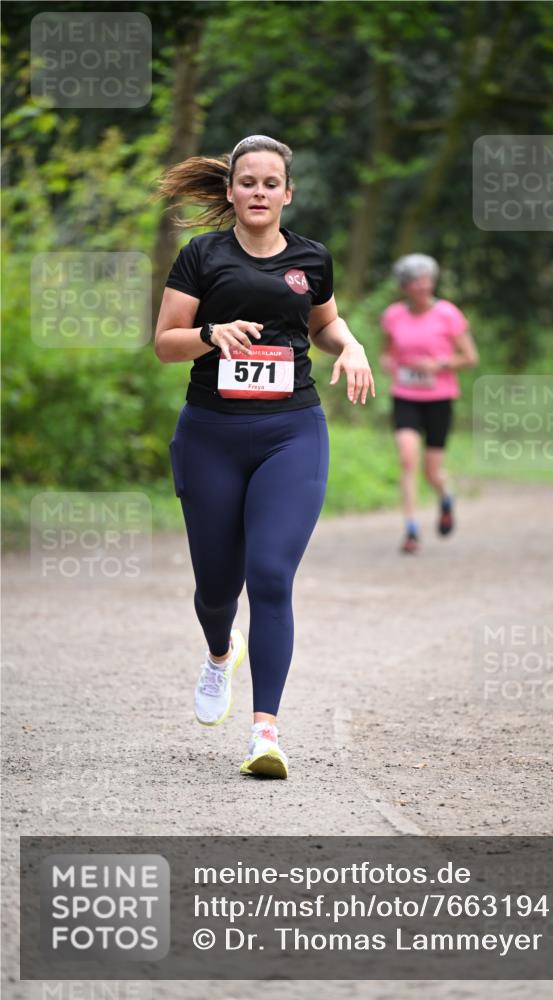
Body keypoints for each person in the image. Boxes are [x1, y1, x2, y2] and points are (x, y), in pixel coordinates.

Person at [152, 135, 374, 778]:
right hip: (211, 436)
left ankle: (264, 735)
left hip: (291, 432)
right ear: (231, 191)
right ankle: (220, 653)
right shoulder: (202, 256)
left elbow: (324, 325)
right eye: (246, 182)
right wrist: (207, 334)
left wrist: (352, 345)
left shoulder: (311, 258)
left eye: (269, 184)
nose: (257, 193)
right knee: (216, 588)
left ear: (287, 193)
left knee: (271, 576)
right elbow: (166, 344)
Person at [379, 254, 478, 553]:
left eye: (427, 280)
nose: (423, 286)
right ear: (405, 286)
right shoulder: (393, 315)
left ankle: (445, 496)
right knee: (407, 459)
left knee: (431, 472)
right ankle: (411, 529)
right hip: (405, 395)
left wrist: (440, 364)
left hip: (439, 398)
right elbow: (387, 351)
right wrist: (387, 363)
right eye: (416, 281)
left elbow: (470, 357)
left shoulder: (448, 314)